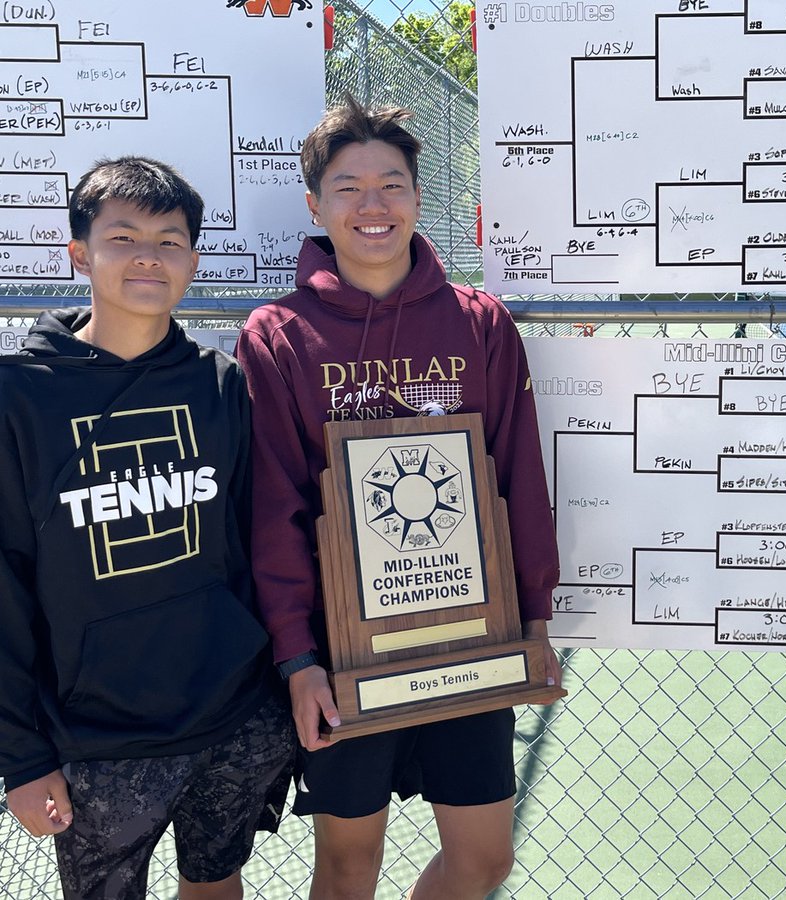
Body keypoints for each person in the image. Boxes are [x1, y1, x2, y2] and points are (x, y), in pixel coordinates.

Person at [236, 96, 561, 899]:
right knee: (349, 868)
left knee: (485, 858)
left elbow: (519, 475)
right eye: (348, 187)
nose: (372, 205)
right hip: (342, 651)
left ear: (419, 198)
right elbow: (272, 505)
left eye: (392, 184)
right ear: (316, 205)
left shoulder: (479, 324)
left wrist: (536, 621)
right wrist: (297, 657)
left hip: (468, 635)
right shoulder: (278, 334)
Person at [0, 156, 293, 899]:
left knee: (215, 883)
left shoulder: (221, 384)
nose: (147, 257)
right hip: (98, 738)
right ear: (79, 253)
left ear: (193, 260)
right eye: (123, 237)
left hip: (231, 712)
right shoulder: (18, 398)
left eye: (169, 241)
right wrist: (21, 757)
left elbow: (255, 545)